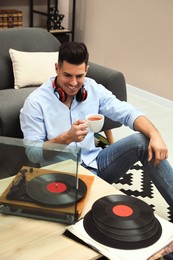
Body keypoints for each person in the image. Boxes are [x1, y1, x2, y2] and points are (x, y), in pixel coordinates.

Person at [20, 41, 173, 207]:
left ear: (86, 70)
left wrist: (155, 134)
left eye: (79, 76)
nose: (73, 83)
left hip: (96, 162)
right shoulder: (35, 102)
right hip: (63, 175)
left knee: (143, 141)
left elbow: (128, 112)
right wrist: (66, 138)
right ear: (57, 68)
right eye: (67, 75)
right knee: (96, 216)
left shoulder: (93, 89)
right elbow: (33, 153)